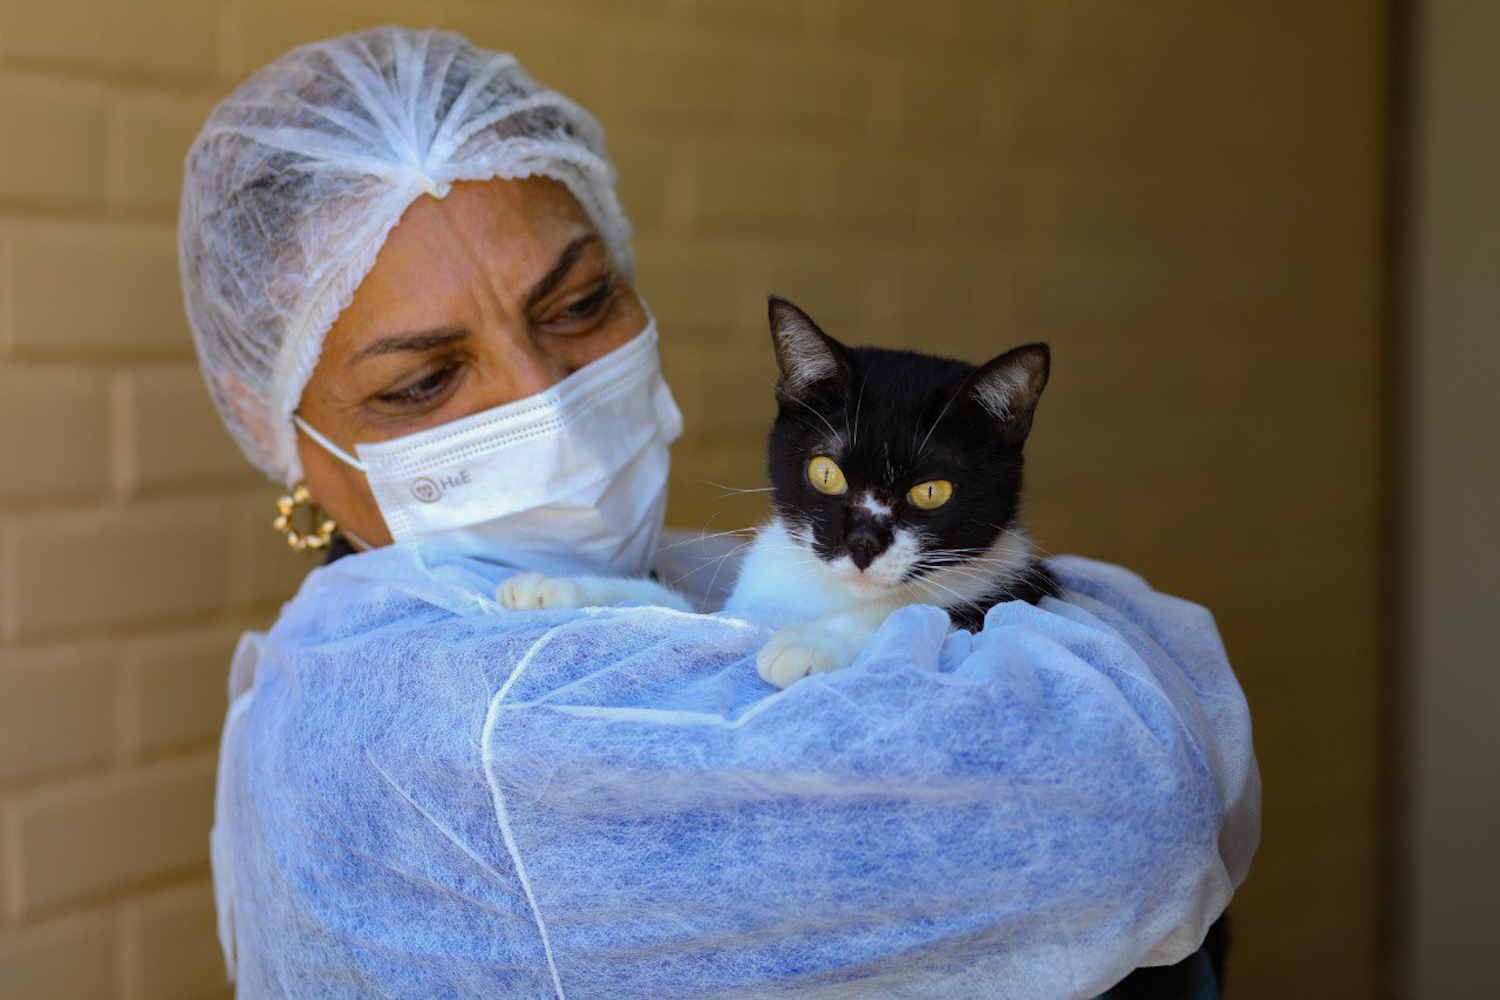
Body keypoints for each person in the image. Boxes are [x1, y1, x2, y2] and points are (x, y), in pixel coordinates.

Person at [180, 25, 1259, 998]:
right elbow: (1126, 802)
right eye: (424, 382)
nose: (542, 398)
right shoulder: (476, 732)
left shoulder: (665, 578)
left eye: (579, 304)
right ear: (276, 426)